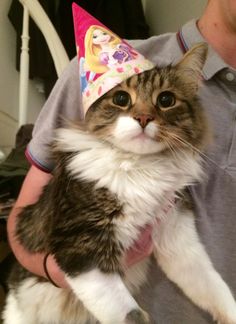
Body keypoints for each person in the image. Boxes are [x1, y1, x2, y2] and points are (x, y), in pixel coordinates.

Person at [7, 0, 236, 322]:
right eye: (124, 99)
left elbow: (184, 254)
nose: (144, 116)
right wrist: (60, 269)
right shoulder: (87, 72)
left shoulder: (173, 176)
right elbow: (26, 220)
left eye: (165, 100)